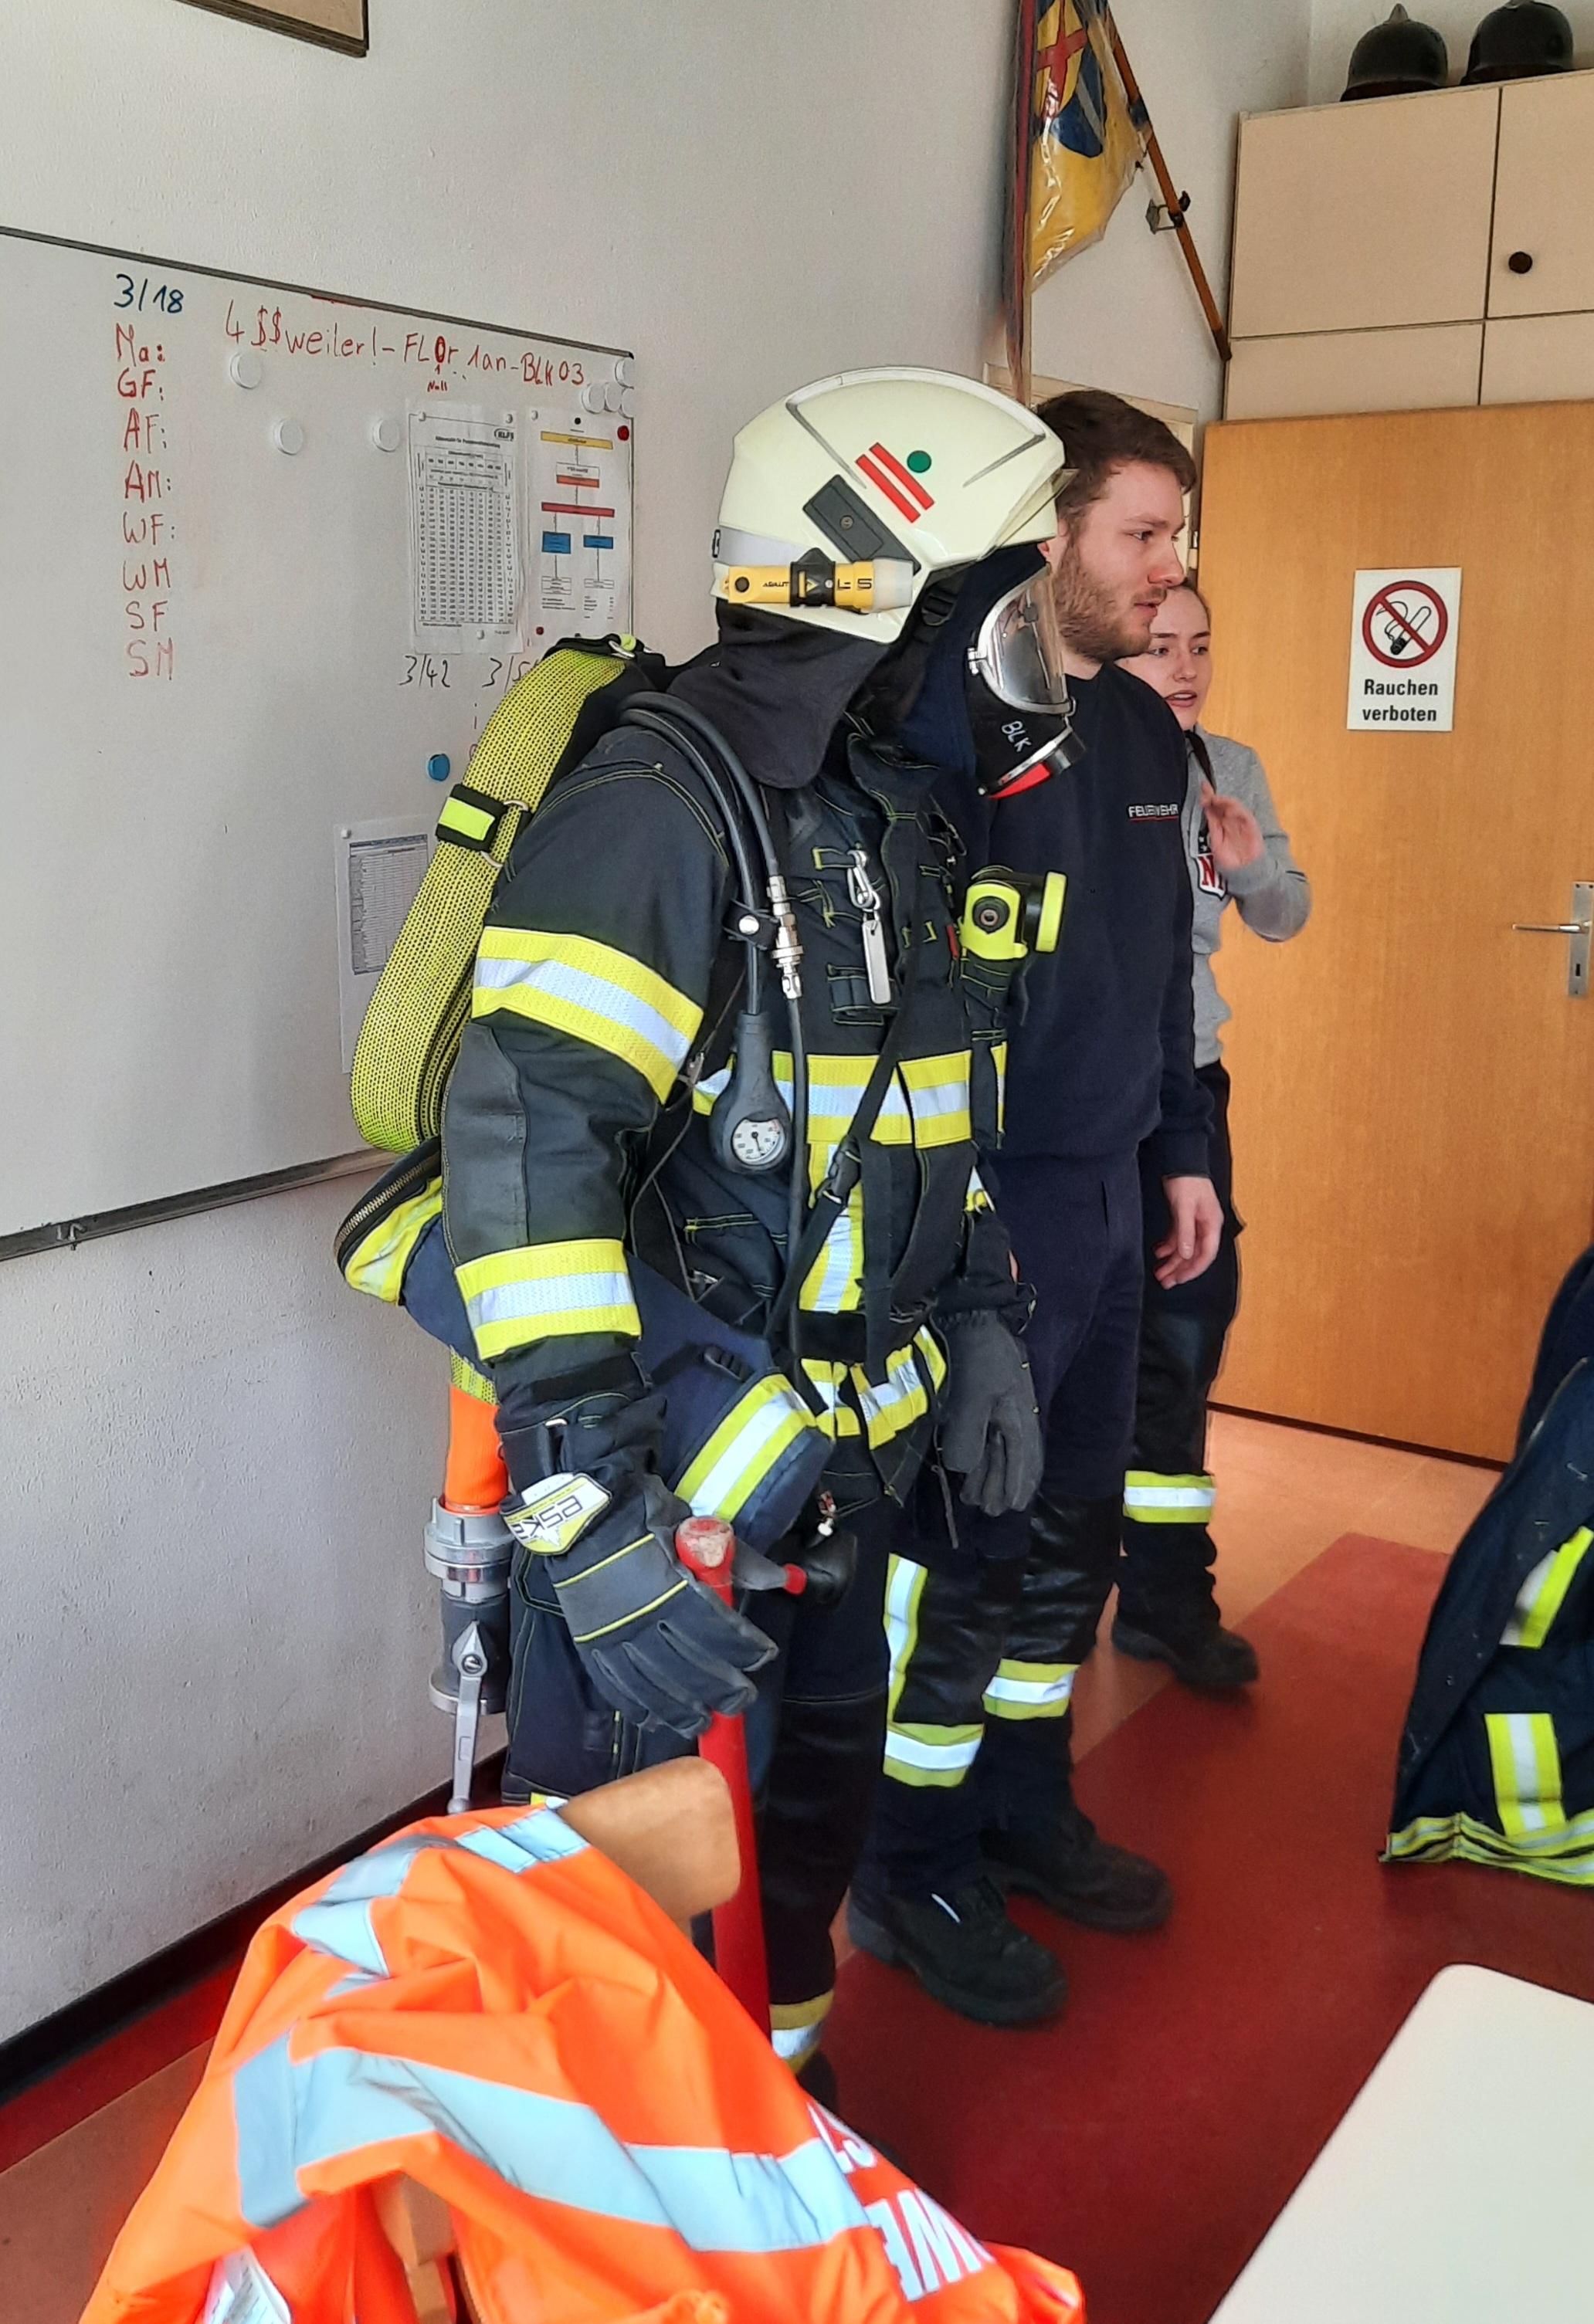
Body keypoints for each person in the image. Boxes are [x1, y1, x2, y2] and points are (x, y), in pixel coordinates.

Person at [432, 368, 1072, 2087]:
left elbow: (934, 1115)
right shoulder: (658, 810)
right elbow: (522, 1143)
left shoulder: (894, 812)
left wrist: (984, 1310)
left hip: (839, 1476)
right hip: (674, 1496)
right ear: (891, 605)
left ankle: (771, 2109)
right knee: (630, 1891)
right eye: (1010, 613)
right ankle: (635, 2184)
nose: (1038, 660)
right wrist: (587, 1514)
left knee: (799, 1844)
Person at [851, 388, 1222, 2027]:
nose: (1170, 568)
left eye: (1174, 536)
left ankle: (1023, 1804)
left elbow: (1163, 968)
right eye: (1142, 534)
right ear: (1049, 531)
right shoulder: (942, 727)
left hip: (1111, 1197)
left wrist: (1182, 1144)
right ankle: (911, 1862)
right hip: (981, 1221)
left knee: (1073, 1534)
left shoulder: (1144, 733)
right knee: (964, 1552)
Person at [1114, 580, 1311, 1687]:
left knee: (1187, 1338)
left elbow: (1285, 915)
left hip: (1188, 1089)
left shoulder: (1226, 767)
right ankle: (1039, 1600)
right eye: (1160, 648)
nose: (1185, 668)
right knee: (1085, 1349)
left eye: (1200, 647)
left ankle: (1166, 1597)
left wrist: (1252, 872)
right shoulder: (1073, 767)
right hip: (1089, 1097)